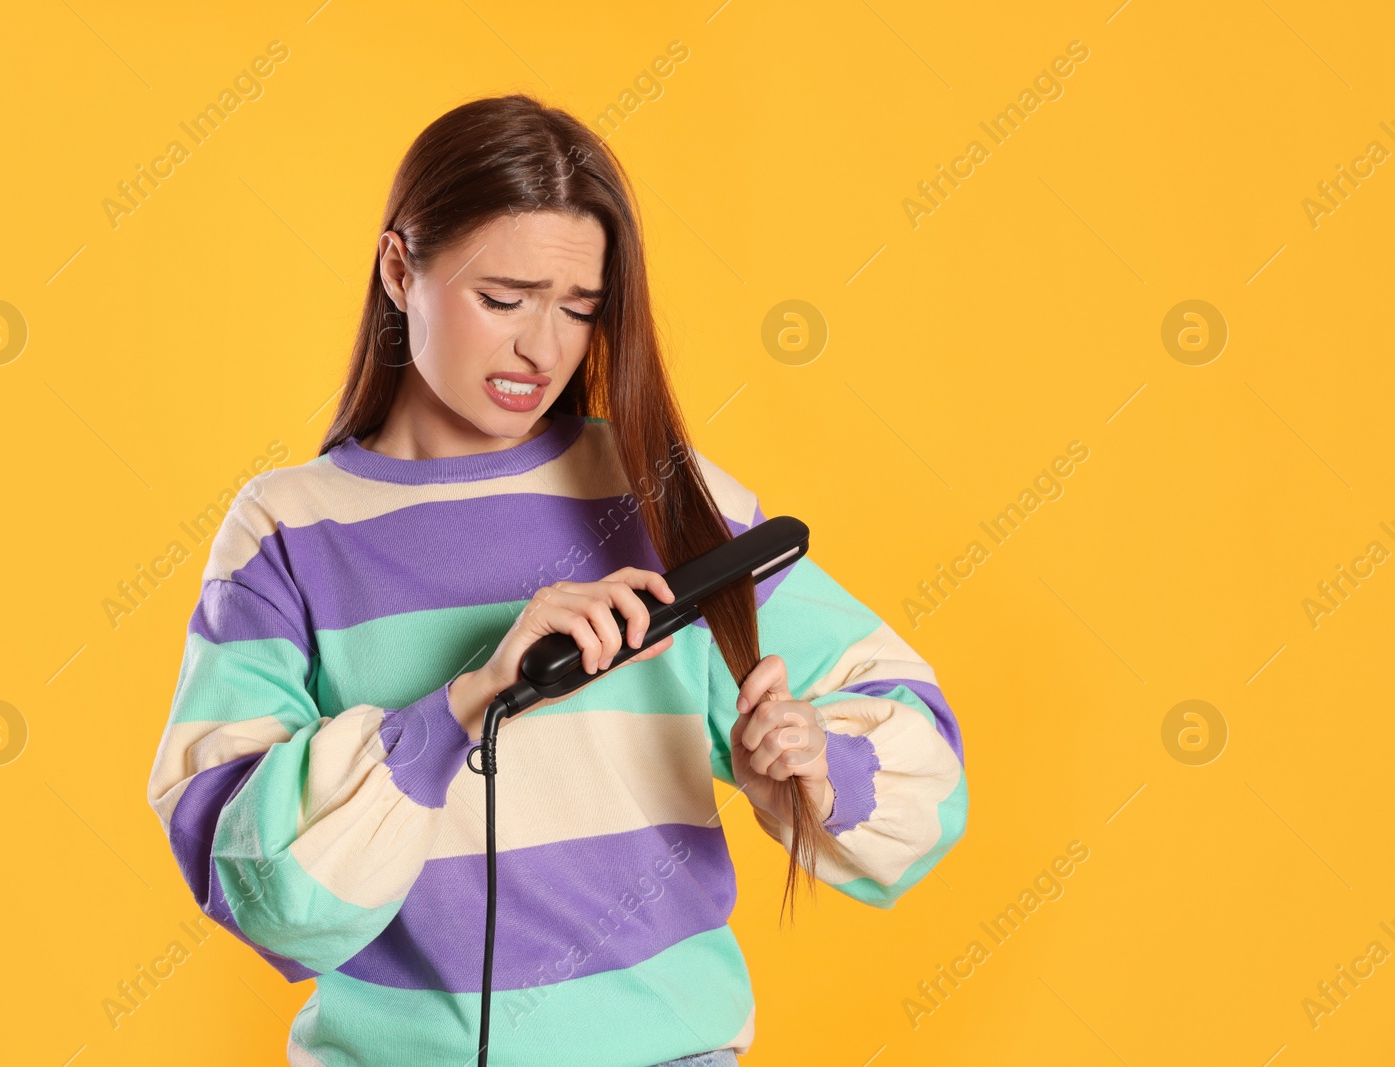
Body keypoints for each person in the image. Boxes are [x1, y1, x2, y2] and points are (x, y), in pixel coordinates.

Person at [146, 92, 967, 1067]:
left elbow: (920, 748)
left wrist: (814, 765)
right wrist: (460, 704)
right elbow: (252, 879)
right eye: (504, 299)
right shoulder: (284, 531)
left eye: (579, 309)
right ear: (400, 268)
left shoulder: (659, 496)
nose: (543, 349)